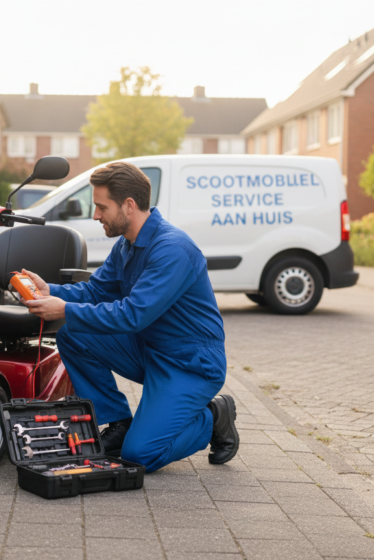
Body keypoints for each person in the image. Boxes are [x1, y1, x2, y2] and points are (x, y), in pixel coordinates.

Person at [21, 161, 239, 473]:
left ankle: (213, 416)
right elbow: (96, 291)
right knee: (75, 333)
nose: (96, 215)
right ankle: (119, 422)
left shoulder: (172, 249)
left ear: (129, 205)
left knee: (139, 455)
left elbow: (132, 315)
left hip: (190, 364)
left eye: (100, 207)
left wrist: (65, 309)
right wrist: (48, 291)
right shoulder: (127, 245)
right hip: (149, 350)